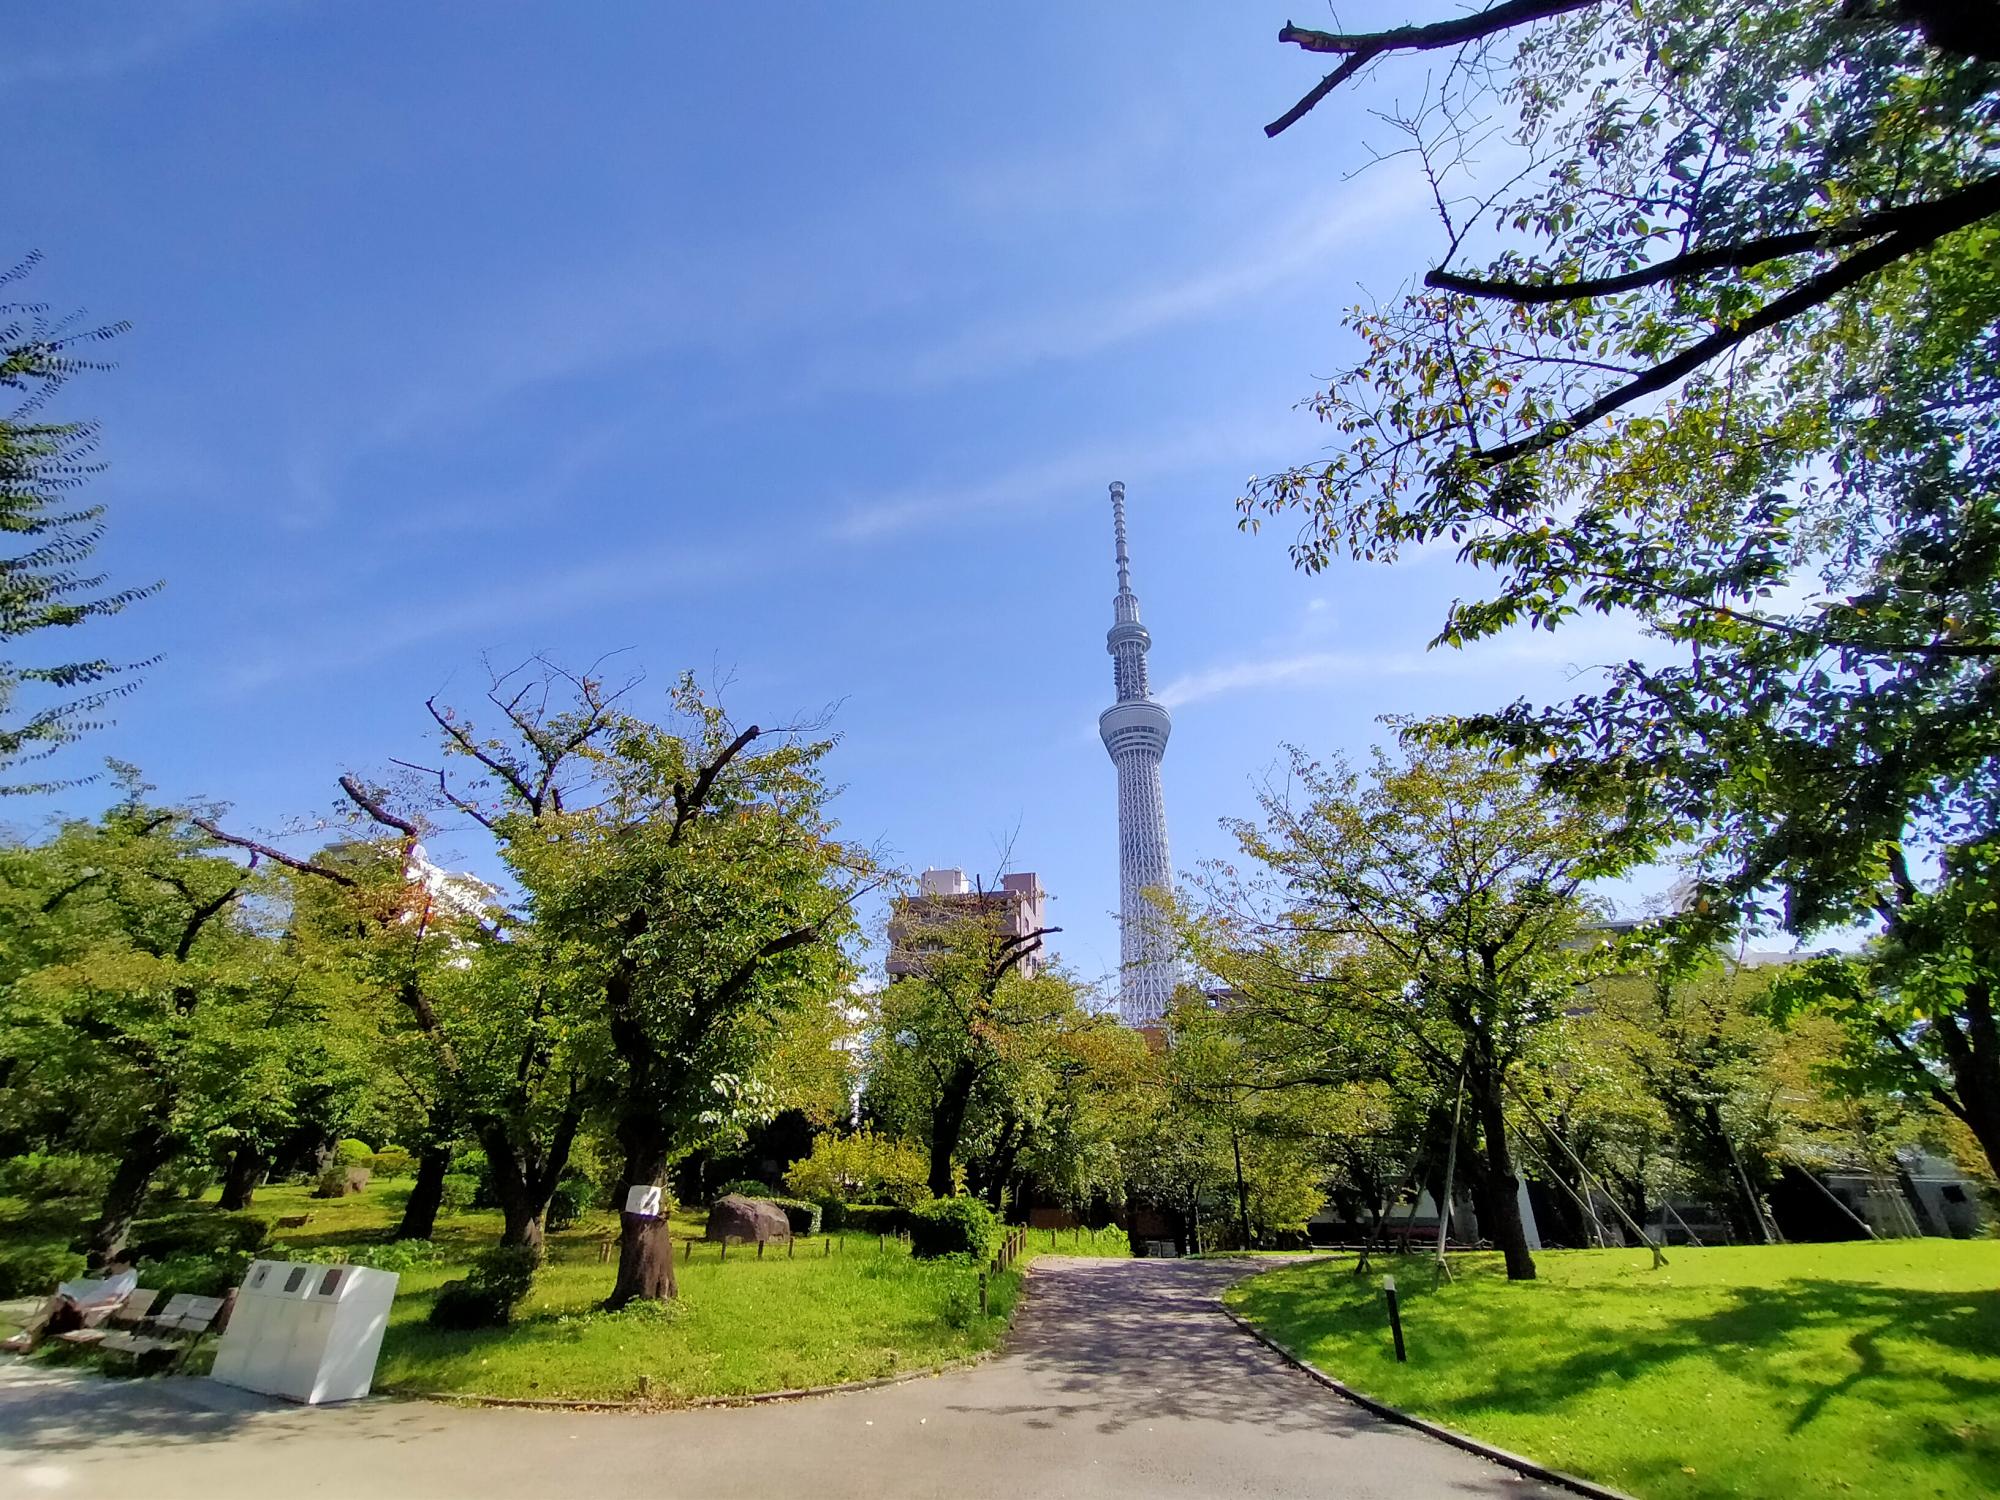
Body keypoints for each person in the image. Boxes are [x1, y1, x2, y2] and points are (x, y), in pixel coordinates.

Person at [0, 1261, 139, 1353]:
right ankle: (28, 1339)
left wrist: (83, 1306)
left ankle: (27, 1337)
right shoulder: (118, 1280)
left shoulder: (124, 1281)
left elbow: (111, 1302)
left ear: (125, 1263)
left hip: (83, 1315)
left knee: (56, 1302)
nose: (112, 1268)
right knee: (56, 1301)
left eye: (115, 1265)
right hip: (79, 1311)